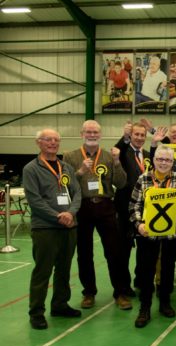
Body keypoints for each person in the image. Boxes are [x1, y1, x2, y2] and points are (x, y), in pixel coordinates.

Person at [63, 120, 130, 311]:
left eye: (95, 132)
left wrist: (117, 163)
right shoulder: (69, 156)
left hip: (106, 207)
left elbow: (122, 183)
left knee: (114, 252)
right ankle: (89, 292)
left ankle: (120, 292)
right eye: (88, 132)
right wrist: (80, 172)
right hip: (82, 207)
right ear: (81, 133)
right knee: (84, 253)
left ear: (100, 135)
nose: (92, 135)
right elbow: (65, 184)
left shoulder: (109, 156)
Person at [129, 145, 176, 328]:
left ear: (172, 162)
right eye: (160, 159)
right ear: (154, 161)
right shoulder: (143, 179)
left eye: (167, 160)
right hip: (148, 233)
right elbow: (134, 205)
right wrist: (139, 224)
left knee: (168, 268)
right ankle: (144, 307)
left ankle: (165, 302)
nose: (163, 163)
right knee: (146, 271)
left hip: (171, 233)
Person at [23, 129, 83, 330]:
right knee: (43, 271)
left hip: (69, 227)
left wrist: (71, 213)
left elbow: (77, 194)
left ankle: (60, 304)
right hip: (45, 228)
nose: (53, 143)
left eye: (56, 140)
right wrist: (58, 216)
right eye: (48, 139)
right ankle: (36, 312)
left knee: (64, 269)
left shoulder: (66, 167)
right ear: (38, 142)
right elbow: (34, 200)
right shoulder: (31, 169)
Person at [114, 120, 152, 297]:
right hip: (125, 210)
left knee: (144, 251)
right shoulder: (123, 152)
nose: (139, 138)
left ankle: (141, 280)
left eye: (142, 135)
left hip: (146, 209)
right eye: (136, 134)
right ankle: (123, 286)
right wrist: (125, 137)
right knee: (124, 251)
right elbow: (117, 150)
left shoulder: (146, 155)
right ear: (131, 135)